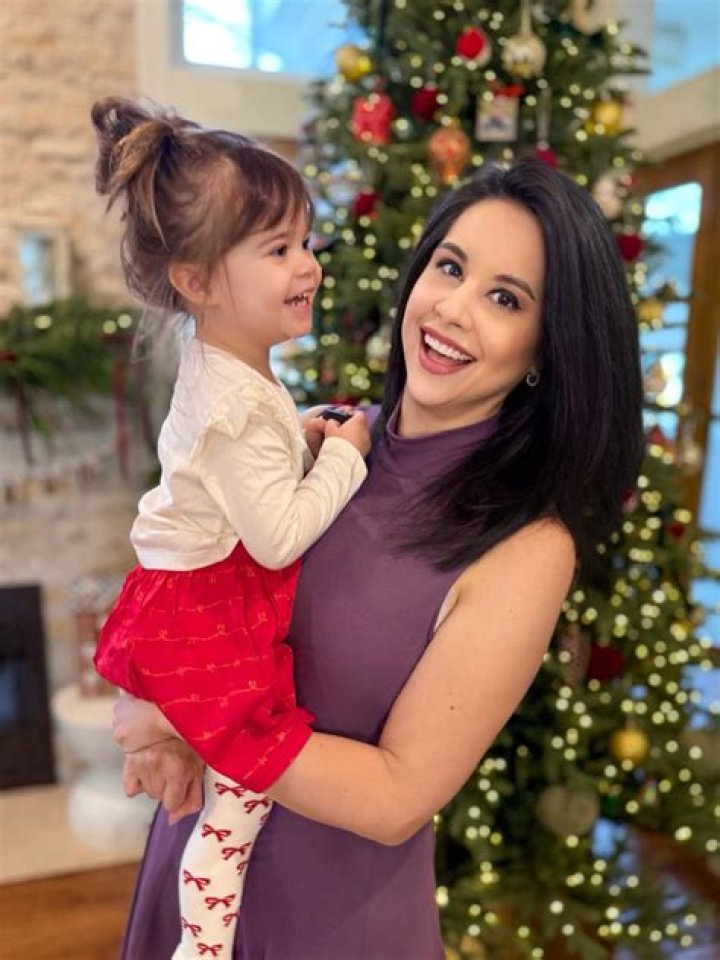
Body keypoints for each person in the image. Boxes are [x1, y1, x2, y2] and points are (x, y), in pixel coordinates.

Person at [112, 158, 644, 960]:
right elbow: (189, 573)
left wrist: (180, 710)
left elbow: (397, 795)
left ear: (545, 346)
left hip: (330, 924)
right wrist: (145, 701)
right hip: (193, 881)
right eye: (450, 268)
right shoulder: (329, 439)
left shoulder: (527, 546)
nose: (453, 309)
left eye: (505, 298)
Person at [89, 97, 371, 960]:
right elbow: (279, 536)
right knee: (246, 787)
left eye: (306, 241)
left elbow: (245, 466)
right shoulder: (236, 402)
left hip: (186, 594)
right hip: (205, 612)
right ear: (198, 280)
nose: (308, 265)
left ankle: (159, 744)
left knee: (222, 769)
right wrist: (344, 457)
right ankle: (203, 948)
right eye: (277, 249)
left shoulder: (231, 369)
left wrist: (302, 436)